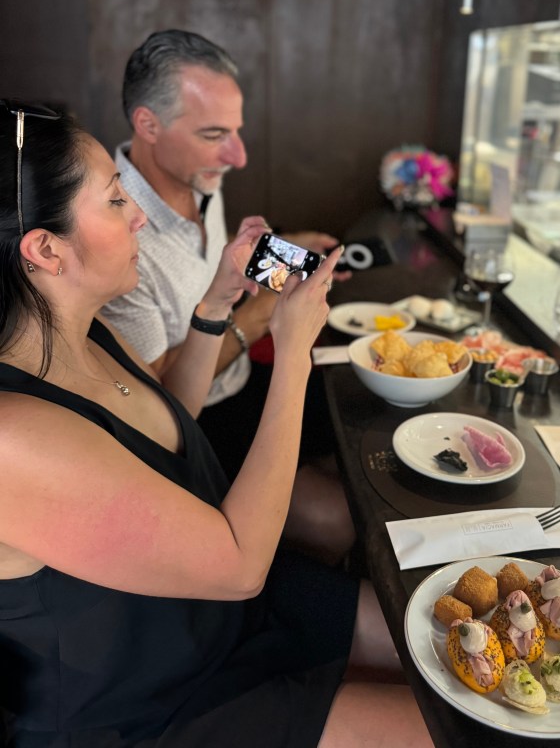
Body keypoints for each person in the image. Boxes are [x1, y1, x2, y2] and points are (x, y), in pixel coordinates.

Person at [0, 101, 433, 748]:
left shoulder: (88, 332)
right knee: (442, 727)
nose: (140, 214)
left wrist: (218, 302)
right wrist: (292, 354)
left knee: (439, 645)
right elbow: (237, 564)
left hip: (215, 622)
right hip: (150, 707)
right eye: (116, 200)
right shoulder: (14, 439)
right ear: (45, 249)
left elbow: (167, 419)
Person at [99, 30, 354, 563]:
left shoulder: (197, 176)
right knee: (339, 524)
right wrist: (259, 320)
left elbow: (215, 270)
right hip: (197, 426)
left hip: (243, 385)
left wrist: (276, 254)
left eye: (235, 131)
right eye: (216, 134)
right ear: (148, 124)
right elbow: (163, 397)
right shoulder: (117, 237)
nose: (237, 156)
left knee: (360, 432)